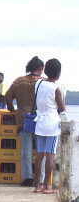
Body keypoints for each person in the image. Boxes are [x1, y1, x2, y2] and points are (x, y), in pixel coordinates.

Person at [6, 56, 44, 187]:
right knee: (41, 151)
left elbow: (8, 96)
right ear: (40, 69)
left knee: (25, 151)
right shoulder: (43, 82)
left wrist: (13, 110)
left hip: (23, 119)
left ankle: (27, 177)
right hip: (40, 120)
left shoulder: (19, 81)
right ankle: (41, 178)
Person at [33, 59, 66, 194]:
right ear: (58, 73)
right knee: (50, 156)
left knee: (39, 155)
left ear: (46, 70)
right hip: (52, 125)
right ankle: (47, 186)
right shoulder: (56, 88)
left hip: (39, 123)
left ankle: (37, 185)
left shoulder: (38, 83)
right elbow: (62, 109)